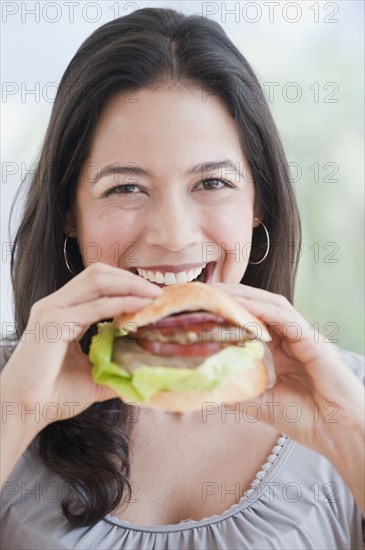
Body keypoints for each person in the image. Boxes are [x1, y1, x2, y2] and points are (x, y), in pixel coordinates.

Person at [1, 7, 364, 549]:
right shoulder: (15, 389)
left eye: (212, 181)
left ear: (258, 202)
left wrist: (348, 436)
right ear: (68, 213)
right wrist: (18, 413)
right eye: (125, 188)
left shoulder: (347, 398)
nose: (173, 234)